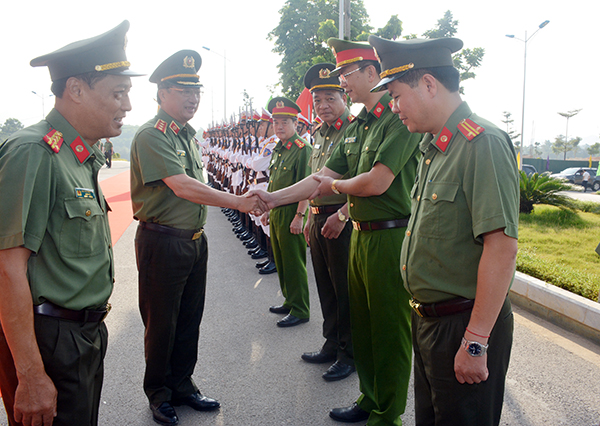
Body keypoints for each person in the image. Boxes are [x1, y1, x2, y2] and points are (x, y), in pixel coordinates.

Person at [250, 38, 421, 425]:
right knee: (362, 323)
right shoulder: (358, 125)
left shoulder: (398, 119)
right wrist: (272, 198)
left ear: (371, 73)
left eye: (346, 74)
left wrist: (335, 189)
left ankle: (387, 413)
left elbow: (377, 182)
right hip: (360, 233)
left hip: (390, 236)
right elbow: (319, 176)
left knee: (389, 332)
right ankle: (369, 397)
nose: (342, 81)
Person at [368, 35, 519, 426]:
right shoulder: (434, 148)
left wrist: (475, 341)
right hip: (430, 323)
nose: (393, 107)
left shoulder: (481, 143)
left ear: (429, 84)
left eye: (397, 95)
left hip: (463, 326)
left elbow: (501, 247)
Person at [0, 21, 142, 426]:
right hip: (49, 341)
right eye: (118, 93)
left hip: (82, 336)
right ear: (76, 90)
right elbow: (7, 267)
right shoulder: (34, 152)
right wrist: (29, 375)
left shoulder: (79, 157)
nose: (127, 106)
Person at [130, 50, 264, 426]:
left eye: (196, 90)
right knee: (162, 322)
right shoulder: (151, 136)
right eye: (183, 89)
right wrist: (238, 201)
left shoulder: (187, 136)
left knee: (189, 317)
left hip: (192, 239)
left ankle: (182, 385)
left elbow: (197, 184)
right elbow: (184, 186)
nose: (193, 97)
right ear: (161, 93)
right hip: (163, 241)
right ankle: (158, 393)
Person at [299, 63, 355, 382]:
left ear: (344, 96)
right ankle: (332, 342)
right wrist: (308, 215)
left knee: (345, 290)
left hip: (341, 219)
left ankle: (350, 353)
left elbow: (363, 179)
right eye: (318, 100)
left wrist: (343, 214)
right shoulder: (319, 133)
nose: (323, 107)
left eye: (330, 98)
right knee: (325, 286)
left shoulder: (354, 129)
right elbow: (313, 179)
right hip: (320, 217)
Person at [261, 97, 312, 327]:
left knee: (294, 262)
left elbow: (306, 187)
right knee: (281, 260)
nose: (279, 127)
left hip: (293, 212)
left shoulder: (302, 150)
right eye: (276, 123)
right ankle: (290, 300)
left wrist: (300, 216)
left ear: (296, 124)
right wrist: (266, 209)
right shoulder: (279, 149)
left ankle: (300, 308)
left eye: (284, 122)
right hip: (277, 213)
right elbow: (273, 184)